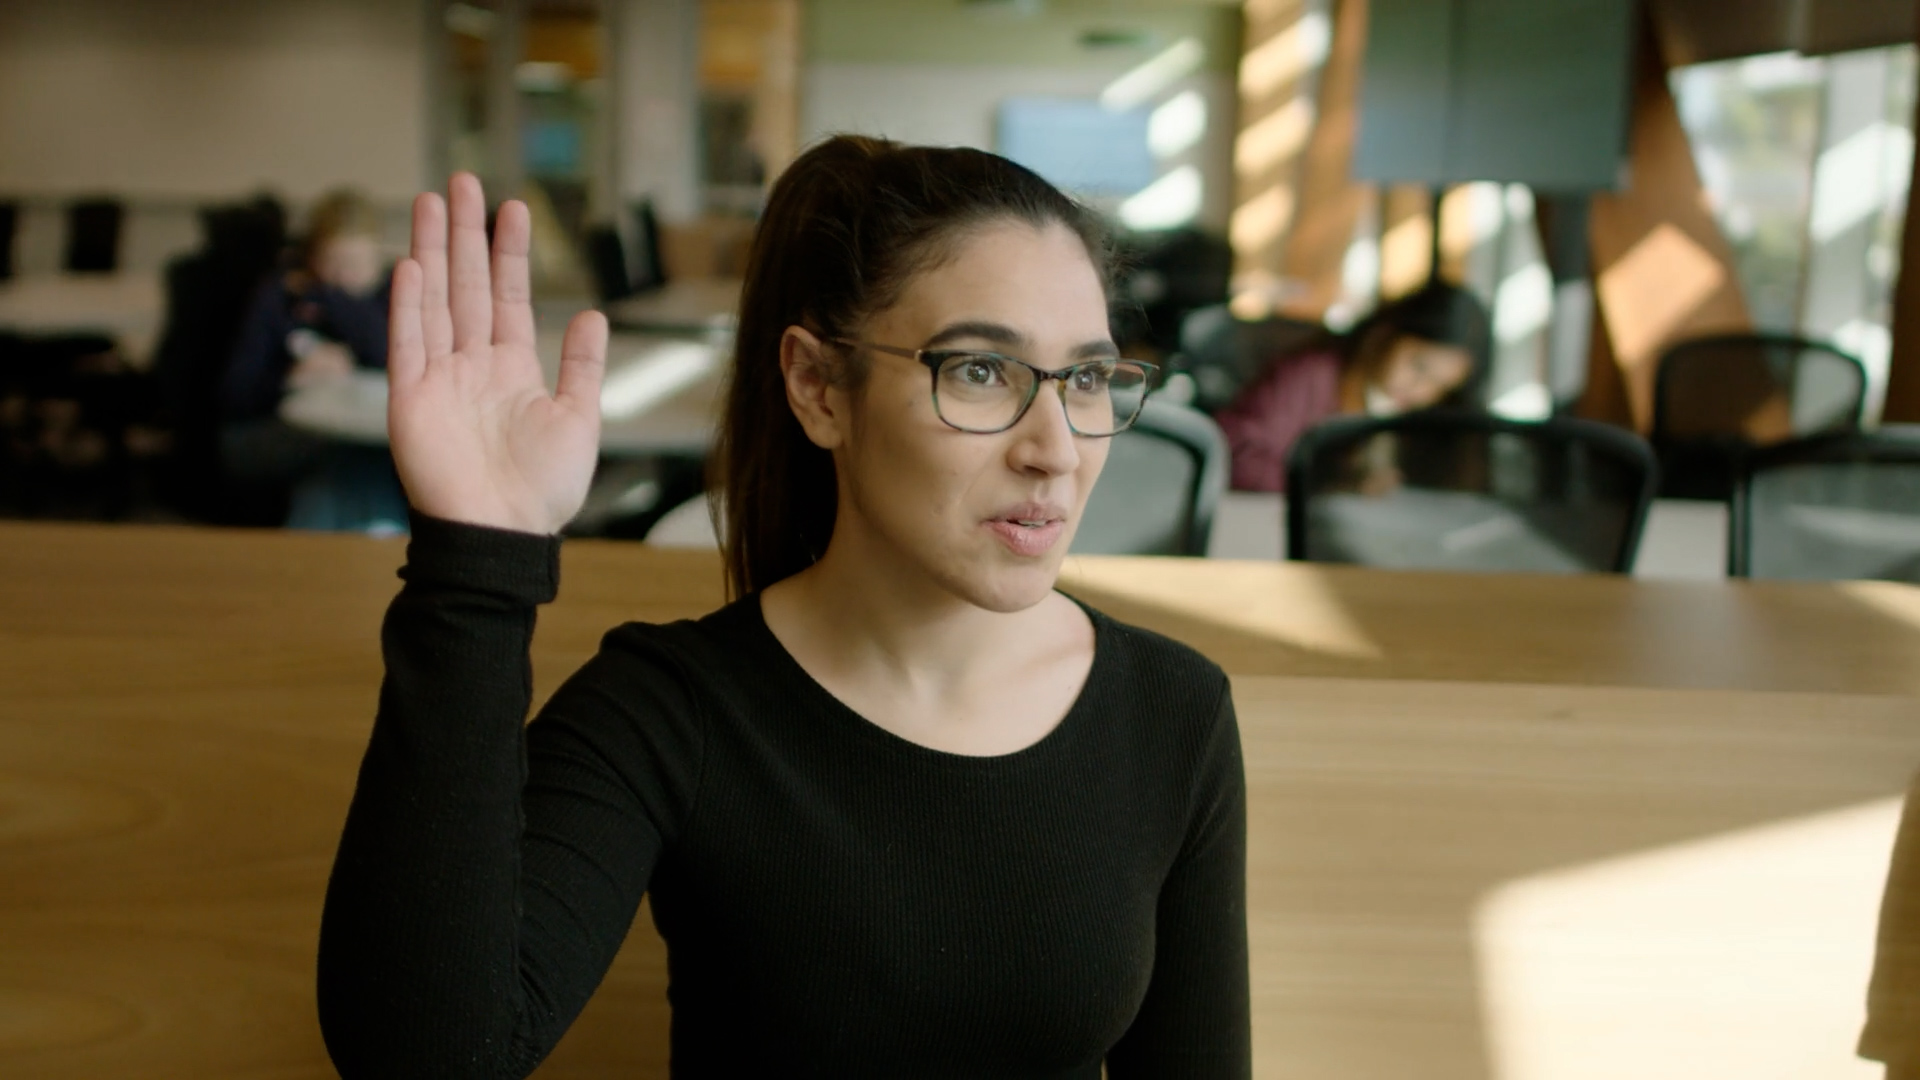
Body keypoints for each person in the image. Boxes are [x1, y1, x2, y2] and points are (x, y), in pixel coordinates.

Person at [316, 137, 1251, 1078]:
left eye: (1085, 378)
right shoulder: (670, 712)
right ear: (817, 387)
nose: (1056, 449)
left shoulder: (1172, 712)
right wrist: (479, 553)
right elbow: (428, 1058)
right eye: (979, 370)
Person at [219, 188, 406, 531]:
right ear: (313, 258)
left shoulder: (390, 296)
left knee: (358, 456)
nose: (344, 276)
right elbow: (237, 391)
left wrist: (333, 300)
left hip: (366, 433)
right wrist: (290, 376)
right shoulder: (280, 296)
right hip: (272, 428)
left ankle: (327, 549)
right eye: (334, 264)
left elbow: (387, 354)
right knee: (344, 454)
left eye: (356, 265)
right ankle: (376, 539)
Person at [1211, 281, 1492, 492]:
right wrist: (1324, 487)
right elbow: (1237, 452)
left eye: (1440, 386)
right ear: (1382, 335)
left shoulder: (1429, 418)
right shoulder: (1312, 376)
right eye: (1419, 366)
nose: (1421, 391)